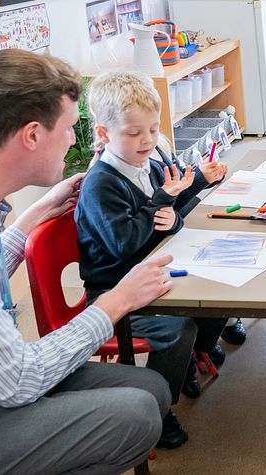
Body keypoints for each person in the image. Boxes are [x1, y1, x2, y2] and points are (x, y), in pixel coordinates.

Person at [0, 49, 174, 473]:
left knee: (152, 389)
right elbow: (17, 378)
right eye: (67, 129)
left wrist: (30, 219)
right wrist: (114, 302)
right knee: (135, 416)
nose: (74, 140)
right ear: (31, 135)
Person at [75, 71, 229, 448]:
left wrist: (173, 211)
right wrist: (161, 204)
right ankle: (160, 408)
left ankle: (191, 358)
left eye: (152, 129)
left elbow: (168, 211)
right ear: (104, 133)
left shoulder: (149, 162)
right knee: (179, 330)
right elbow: (125, 244)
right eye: (133, 133)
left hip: (152, 269)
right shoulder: (101, 184)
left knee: (224, 282)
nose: (147, 140)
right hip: (115, 289)